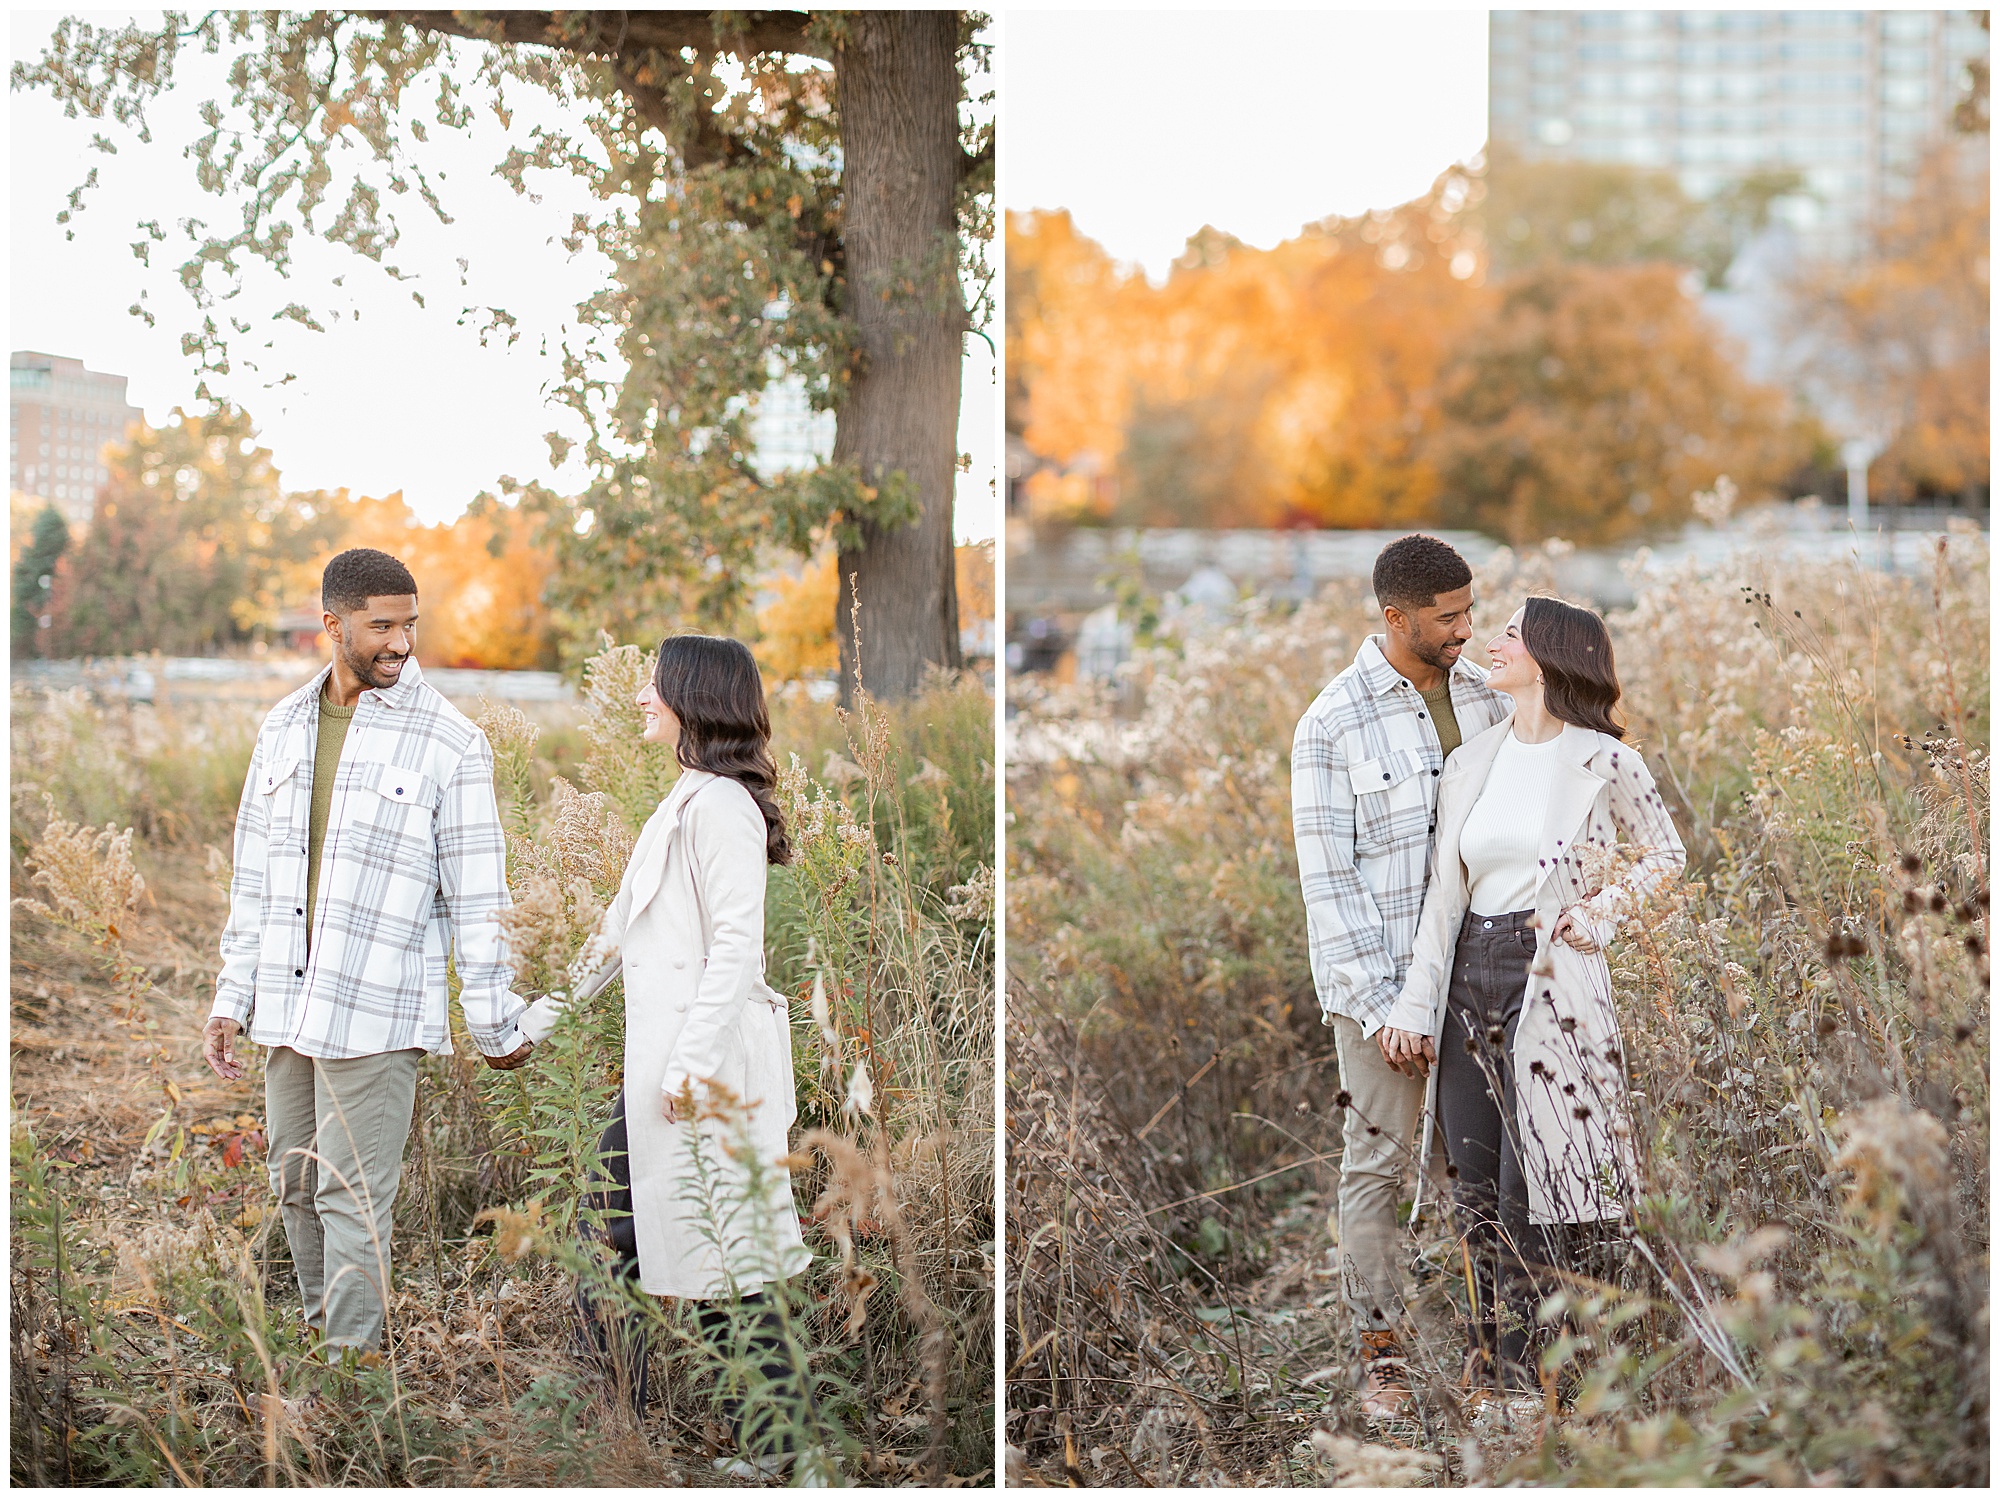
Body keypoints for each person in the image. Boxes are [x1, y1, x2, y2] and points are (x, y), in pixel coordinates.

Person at [203, 548, 536, 1374]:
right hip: (286, 1002)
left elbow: (480, 894)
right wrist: (229, 997)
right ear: (333, 625)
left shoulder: (451, 742)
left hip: (378, 1008)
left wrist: (494, 1020)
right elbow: (252, 878)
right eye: (381, 627)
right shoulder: (281, 727)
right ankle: (325, 1343)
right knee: (294, 1186)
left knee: (350, 1199)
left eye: (409, 626)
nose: (400, 644)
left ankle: (348, 1378)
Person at [1378, 597, 1685, 1407]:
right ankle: (1498, 1368)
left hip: (1548, 974)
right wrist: (1416, 1006)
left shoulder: (1606, 761)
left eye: (1512, 632)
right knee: (1475, 1188)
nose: (1493, 642)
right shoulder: (1473, 759)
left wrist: (1600, 914)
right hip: (1466, 974)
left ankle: (1538, 1380)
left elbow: (1665, 855)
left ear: (1551, 655)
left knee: (1536, 1185)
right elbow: (1444, 897)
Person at [520, 634, 810, 1461]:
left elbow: (736, 952)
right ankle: (620, 1423)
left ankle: (776, 1455)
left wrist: (688, 1068)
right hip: (670, 1069)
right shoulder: (687, 795)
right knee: (669, 1239)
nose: (642, 696)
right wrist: (535, 1023)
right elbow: (616, 935)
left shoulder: (721, 807)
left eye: (655, 683)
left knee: (724, 1257)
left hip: (705, 1071)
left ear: (694, 694)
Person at [1290, 535, 1509, 1418]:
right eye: (1448, 617)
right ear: (1396, 618)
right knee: (1378, 1168)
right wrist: (1389, 1011)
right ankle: (1381, 1353)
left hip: (1485, 979)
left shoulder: (1492, 701)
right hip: (1379, 995)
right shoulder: (1331, 725)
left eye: (1468, 610)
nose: (1466, 629)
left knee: (1487, 1167)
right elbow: (1328, 887)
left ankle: (1495, 1350)